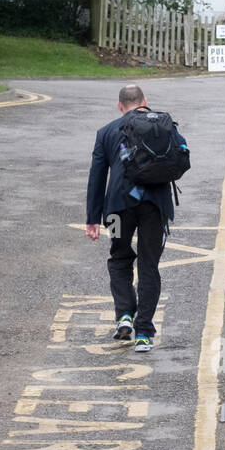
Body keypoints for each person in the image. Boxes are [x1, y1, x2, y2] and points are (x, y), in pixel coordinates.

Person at [85, 84, 186, 352]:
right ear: (144, 101)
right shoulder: (162, 126)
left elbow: (97, 177)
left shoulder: (106, 132)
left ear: (120, 105)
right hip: (155, 205)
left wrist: (92, 218)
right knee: (149, 265)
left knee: (119, 258)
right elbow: (180, 159)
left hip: (119, 208)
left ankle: (124, 316)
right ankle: (143, 333)